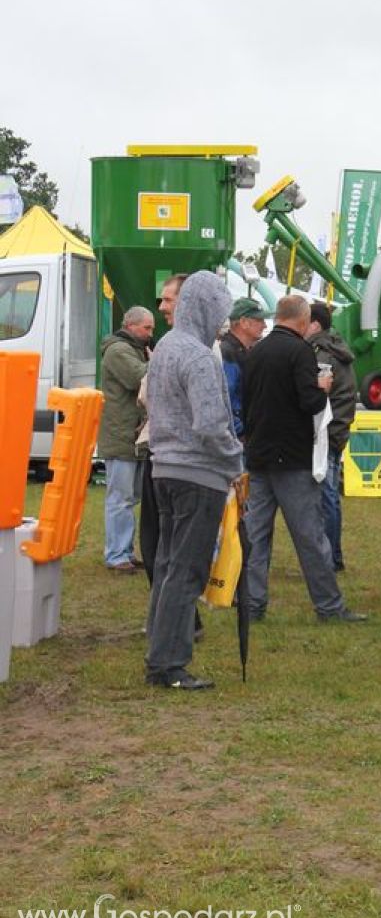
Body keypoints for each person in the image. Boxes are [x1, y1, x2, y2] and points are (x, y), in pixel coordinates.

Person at [145, 271, 243, 690]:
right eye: (220, 314)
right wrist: (236, 461)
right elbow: (209, 425)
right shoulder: (200, 356)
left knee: (168, 565)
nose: (223, 324)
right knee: (186, 570)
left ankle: (160, 649)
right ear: (205, 308)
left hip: (163, 468)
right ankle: (168, 664)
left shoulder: (166, 346)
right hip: (196, 475)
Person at [242, 294, 367, 623]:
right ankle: (329, 606)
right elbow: (310, 403)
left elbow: (244, 400)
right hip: (292, 459)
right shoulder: (300, 352)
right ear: (302, 320)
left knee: (255, 537)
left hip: (257, 457)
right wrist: (322, 387)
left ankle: (252, 605)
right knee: (310, 536)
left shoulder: (254, 352)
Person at [138, 273, 189, 584]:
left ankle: (177, 619)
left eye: (168, 299)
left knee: (162, 543)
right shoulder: (199, 344)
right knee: (167, 543)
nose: (161, 307)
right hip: (174, 456)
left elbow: (145, 396)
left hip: (171, 458)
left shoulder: (174, 346)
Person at [97, 305, 154, 572]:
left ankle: (125, 551)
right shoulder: (119, 351)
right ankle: (117, 554)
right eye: (147, 328)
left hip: (130, 436)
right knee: (120, 499)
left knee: (129, 498)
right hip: (121, 436)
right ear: (131, 326)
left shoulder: (132, 350)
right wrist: (157, 362)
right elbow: (139, 378)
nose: (150, 333)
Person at [306, 302, 357, 572]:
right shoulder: (335, 347)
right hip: (336, 431)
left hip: (325, 434)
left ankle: (329, 559)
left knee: (325, 497)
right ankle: (331, 557)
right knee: (329, 496)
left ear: (314, 324)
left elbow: (315, 394)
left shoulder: (320, 354)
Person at [220, 296, 269, 436]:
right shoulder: (228, 353)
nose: (265, 325)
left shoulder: (240, 352)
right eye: (260, 320)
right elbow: (225, 400)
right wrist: (242, 430)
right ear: (243, 322)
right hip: (237, 438)